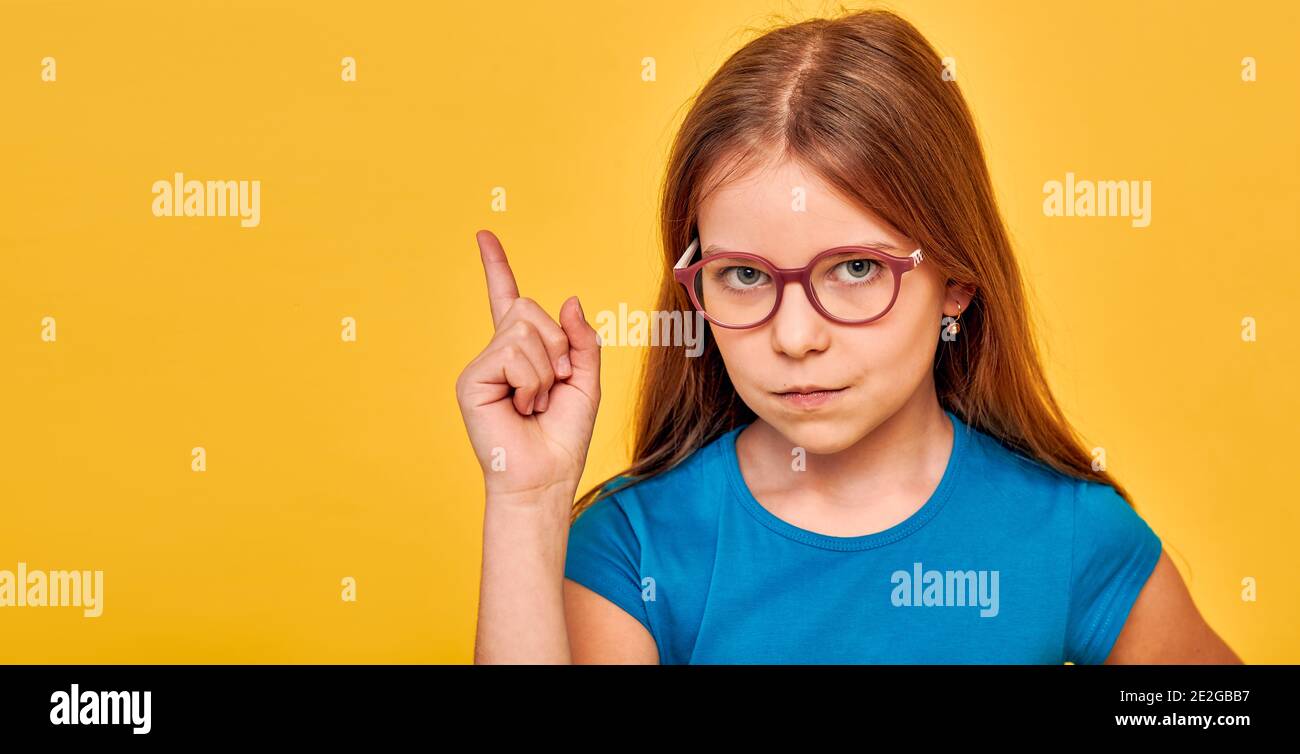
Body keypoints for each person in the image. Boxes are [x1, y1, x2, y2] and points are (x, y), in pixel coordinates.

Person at [456, 8, 1241, 664]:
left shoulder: (1067, 532)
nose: (795, 336)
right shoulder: (638, 549)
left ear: (957, 284)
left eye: (857, 268)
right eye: (745, 276)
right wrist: (526, 504)